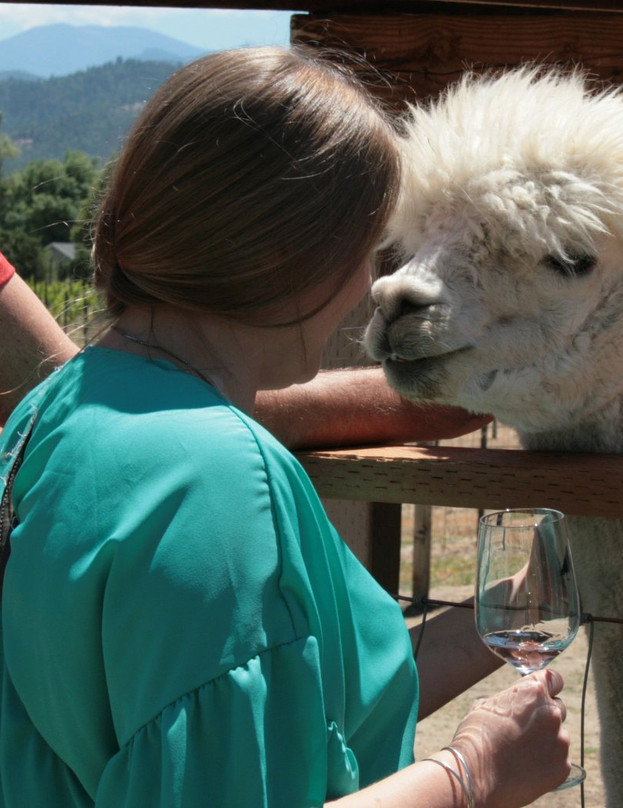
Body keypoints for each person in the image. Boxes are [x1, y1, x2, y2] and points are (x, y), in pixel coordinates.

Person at [0, 46, 571, 808]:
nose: (369, 287)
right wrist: (475, 774)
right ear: (288, 256)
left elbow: (281, 702)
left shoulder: (56, 410)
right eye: (367, 251)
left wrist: (517, 604)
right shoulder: (216, 485)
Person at [0, 250, 490, 447]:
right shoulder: (239, 481)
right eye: (365, 250)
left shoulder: (40, 442)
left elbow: (65, 401)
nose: (375, 284)